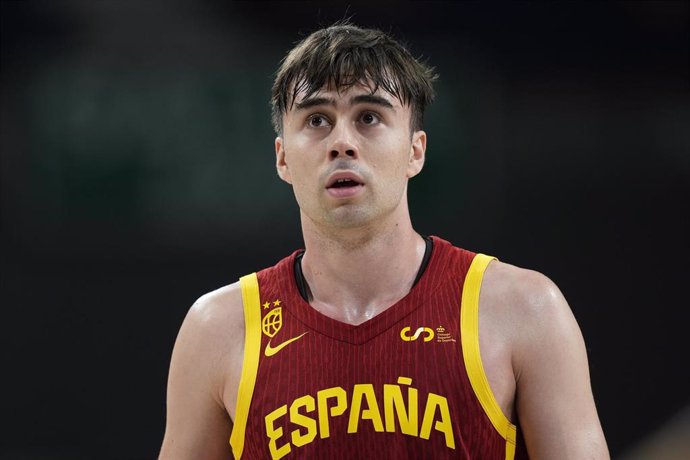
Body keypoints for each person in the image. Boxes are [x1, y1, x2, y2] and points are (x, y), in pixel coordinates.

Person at [159, 22, 609, 459]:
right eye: (317, 119)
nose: (342, 143)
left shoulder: (525, 310)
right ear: (282, 158)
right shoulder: (218, 330)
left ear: (416, 150)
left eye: (369, 117)